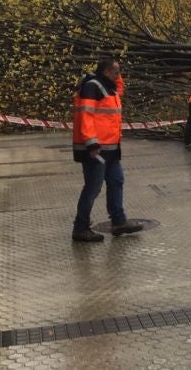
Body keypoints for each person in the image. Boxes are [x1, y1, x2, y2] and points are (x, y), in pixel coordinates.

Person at [71, 58, 143, 242]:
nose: (120, 76)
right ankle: (80, 227)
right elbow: (86, 115)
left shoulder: (108, 87)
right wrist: (92, 143)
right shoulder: (93, 87)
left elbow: (119, 89)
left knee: (116, 181)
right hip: (96, 149)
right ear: (107, 72)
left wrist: (116, 77)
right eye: (117, 72)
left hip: (110, 148)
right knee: (93, 188)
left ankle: (118, 221)